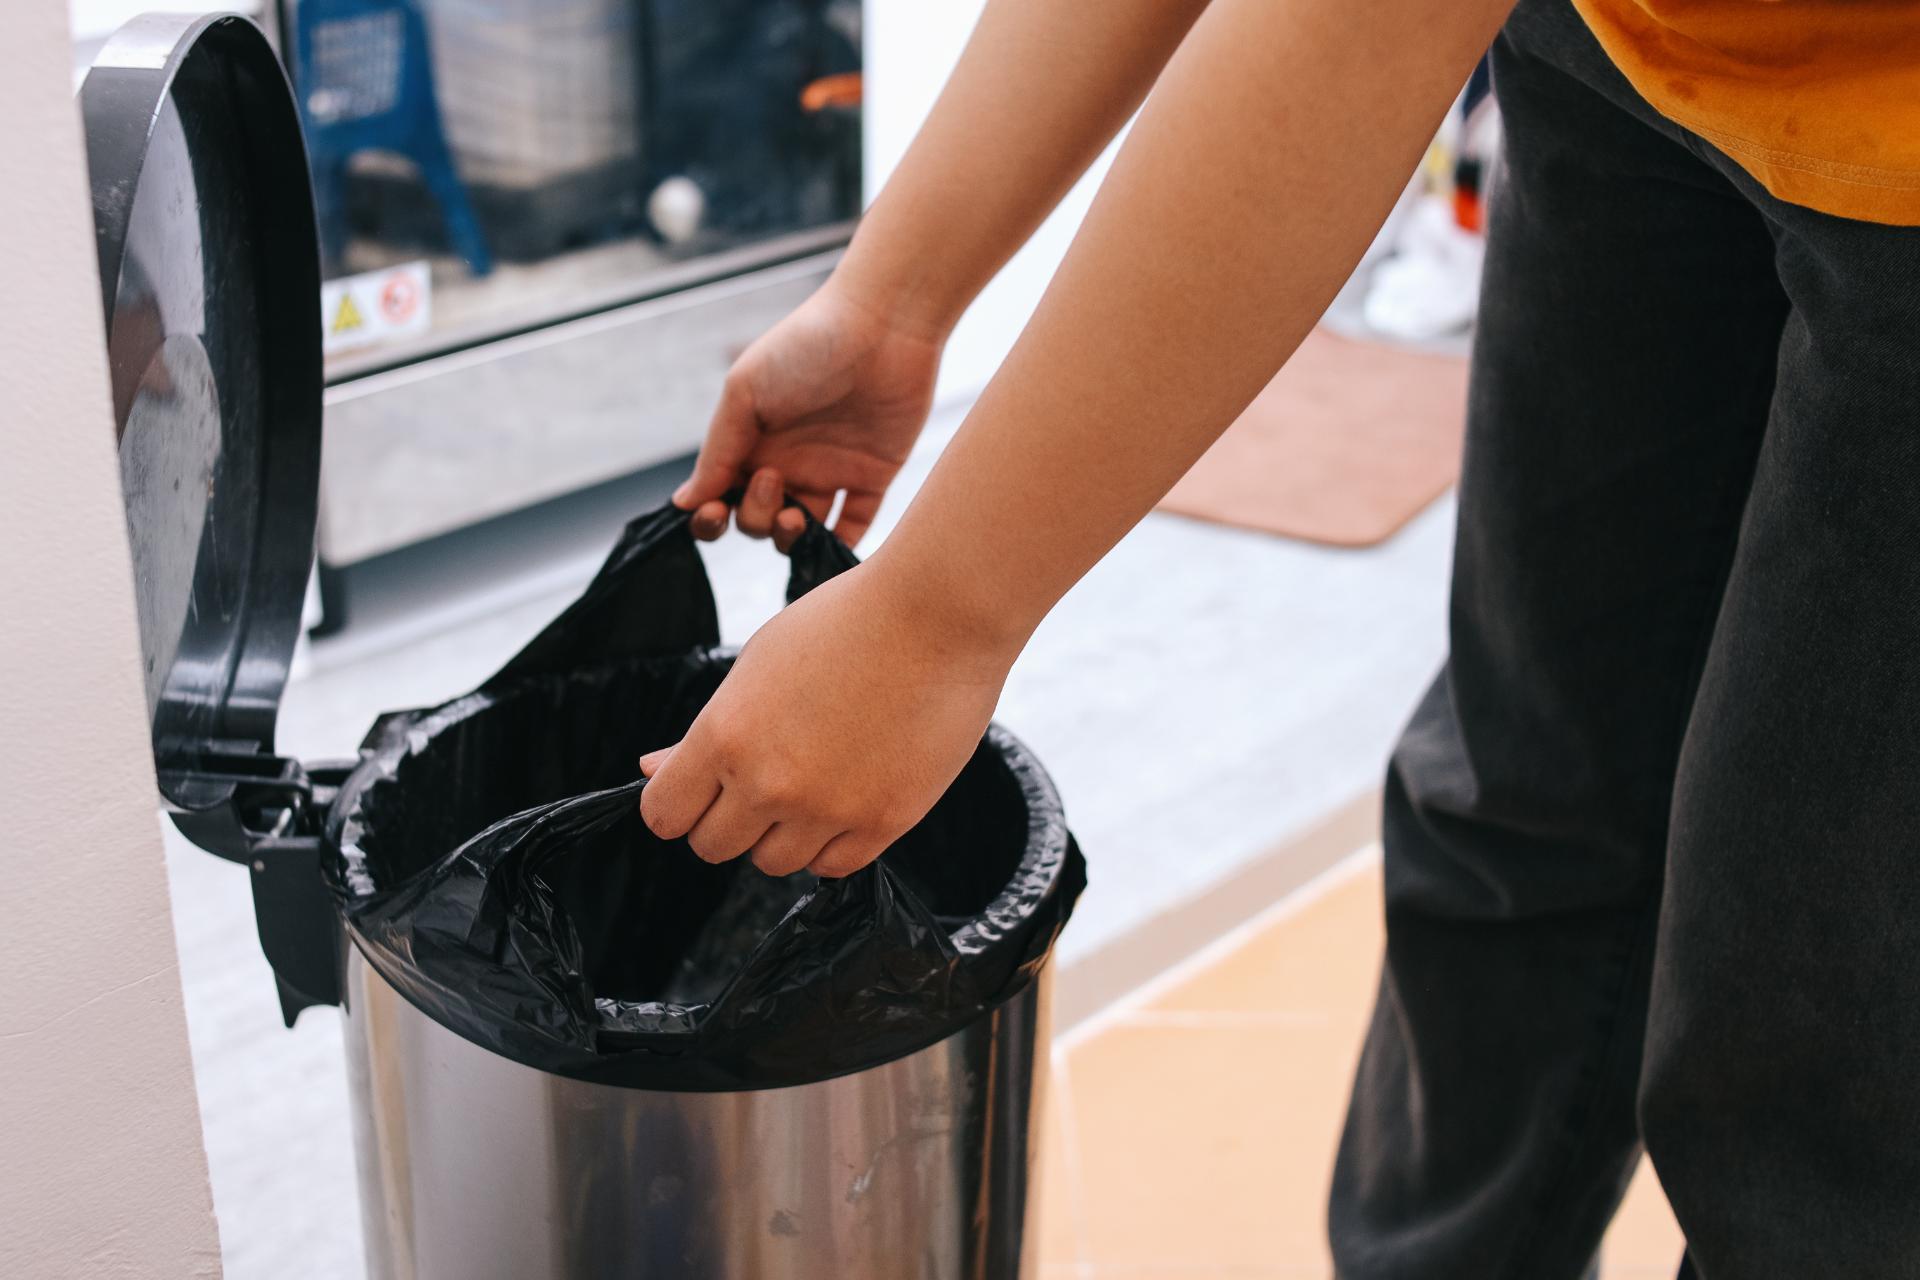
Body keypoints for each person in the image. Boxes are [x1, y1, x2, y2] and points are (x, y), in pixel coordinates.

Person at [635, 0, 1920, 1274]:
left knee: (1814, 1034)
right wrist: (890, 301)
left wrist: (935, 620)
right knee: (1526, 800)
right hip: (1638, 42)